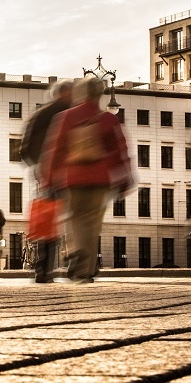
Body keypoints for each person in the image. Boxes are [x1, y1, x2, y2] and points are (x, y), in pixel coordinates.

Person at [41, 75, 133, 283]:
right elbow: (121, 150)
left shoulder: (66, 117)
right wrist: (125, 177)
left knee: (75, 220)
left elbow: (55, 150)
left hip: (73, 179)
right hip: (101, 179)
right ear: (100, 95)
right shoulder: (108, 119)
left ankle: (79, 262)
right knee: (92, 223)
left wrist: (48, 178)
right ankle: (87, 268)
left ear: (81, 93)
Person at [20, 79, 73, 283]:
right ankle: (74, 267)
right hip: (63, 172)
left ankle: (44, 270)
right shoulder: (67, 113)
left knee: (47, 220)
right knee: (69, 219)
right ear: (64, 94)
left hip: (47, 172)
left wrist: (38, 167)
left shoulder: (40, 115)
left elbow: (25, 148)